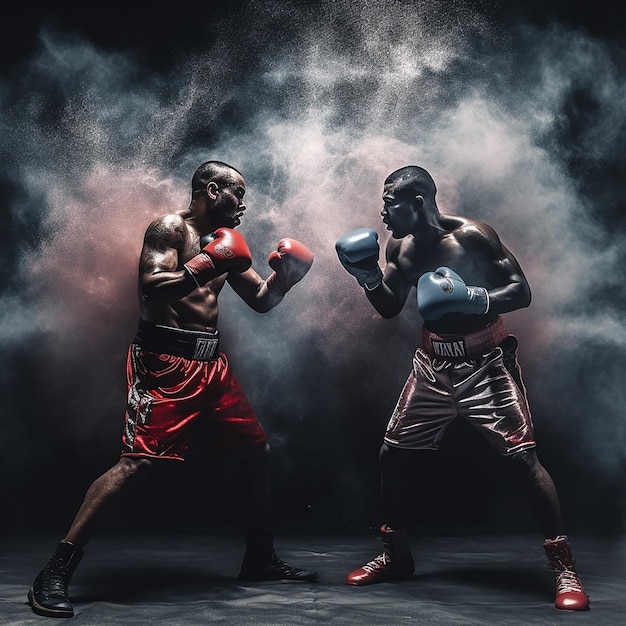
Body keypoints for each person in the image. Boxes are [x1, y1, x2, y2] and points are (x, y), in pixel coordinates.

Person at [28, 160, 318, 618]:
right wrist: (206, 263)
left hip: (211, 365)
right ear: (210, 189)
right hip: (163, 363)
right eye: (236, 193)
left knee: (254, 453)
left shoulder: (226, 244)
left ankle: (259, 559)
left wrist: (287, 280)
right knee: (137, 464)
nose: (243, 205)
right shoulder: (170, 229)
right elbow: (150, 287)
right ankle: (55, 571)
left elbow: (261, 301)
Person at [335, 165, 589, 611]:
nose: (382, 213)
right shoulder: (399, 246)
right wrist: (368, 277)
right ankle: (397, 557)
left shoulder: (473, 237)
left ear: (417, 202)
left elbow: (521, 290)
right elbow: (392, 307)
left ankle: (564, 570)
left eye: (389, 204)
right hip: (432, 364)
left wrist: (476, 297)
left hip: (485, 362)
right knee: (392, 453)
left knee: (524, 459)